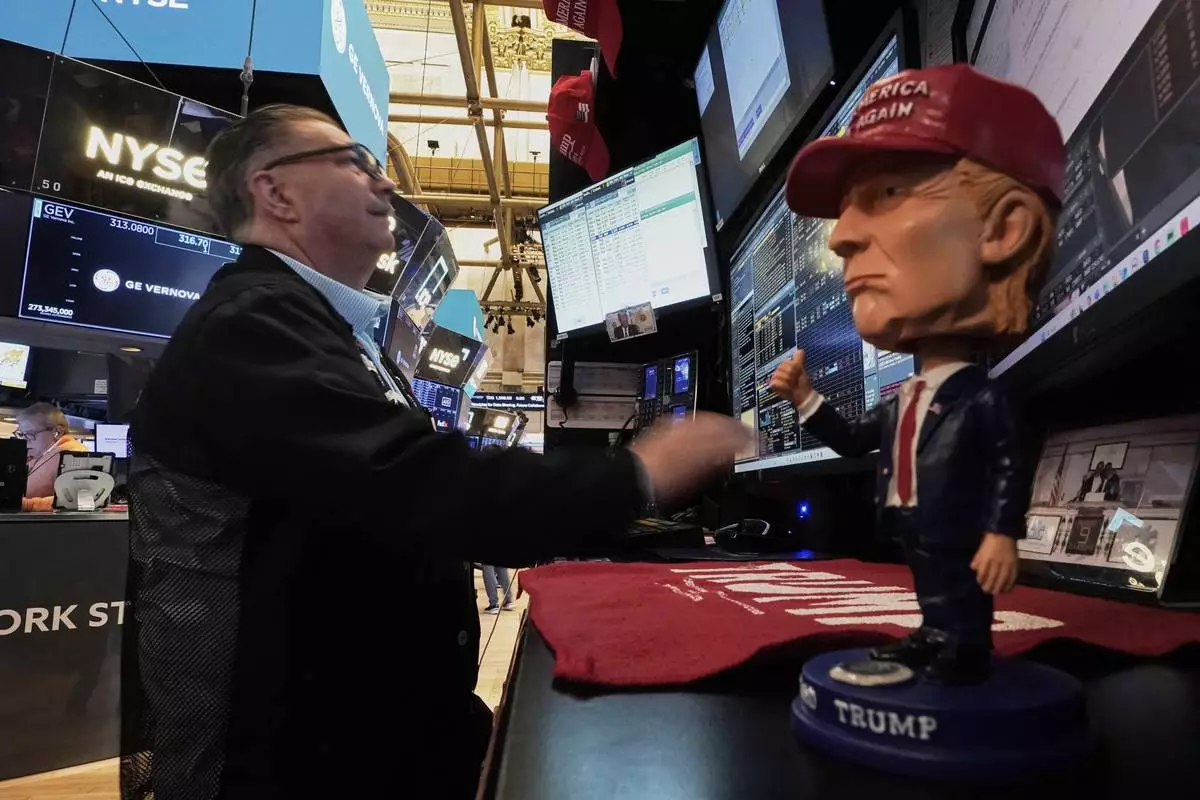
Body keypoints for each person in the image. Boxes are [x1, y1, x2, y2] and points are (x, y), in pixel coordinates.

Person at [123, 104, 749, 800]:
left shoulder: (325, 331)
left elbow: (376, 528)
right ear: (275, 194)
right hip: (279, 767)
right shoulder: (250, 324)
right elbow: (416, 485)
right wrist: (637, 474)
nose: (385, 183)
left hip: (363, 746)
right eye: (353, 160)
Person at [770, 64, 1064, 684]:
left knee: (957, 587)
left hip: (959, 526)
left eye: (889, 194)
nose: (843, 237)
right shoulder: (907, 395)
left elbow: (1012, 467)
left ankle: (963, 645)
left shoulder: (982, 398)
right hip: (912, 523)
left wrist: (1001, 534)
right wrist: (805, 400)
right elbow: (854, 439)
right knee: (933, 587)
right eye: (848, 209)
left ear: (1003, 229)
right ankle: (936, 634)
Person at [16, 403, 89, 510]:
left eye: (30, 434)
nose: (25, 441)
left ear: (57, 432)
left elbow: (76, 500)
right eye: (22, 435)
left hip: (48, 525)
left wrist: (27, 505)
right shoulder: (38, 454)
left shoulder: (74, 454)